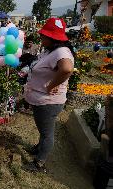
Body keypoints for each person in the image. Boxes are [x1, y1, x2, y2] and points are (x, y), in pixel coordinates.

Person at [23, 18, 75, 173]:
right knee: (43, 129)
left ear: (52, 38)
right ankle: (39, 148)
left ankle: (40, 163)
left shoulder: (61, 51)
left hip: (49, 102)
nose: (41, 38)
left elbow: (66, 69)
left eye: (43, 36)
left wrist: (52, 85)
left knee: (47, 133)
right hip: (42, 100)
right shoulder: (51, 50)